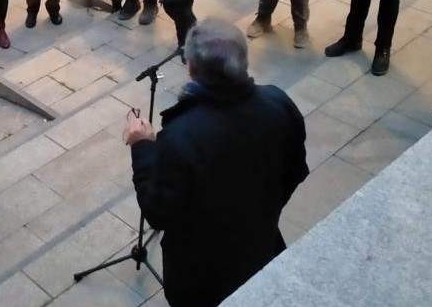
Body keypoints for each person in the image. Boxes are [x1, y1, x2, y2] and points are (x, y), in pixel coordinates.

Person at [124, 18, 308, 307]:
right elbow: (296, 170)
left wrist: (142, 147)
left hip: (200, 276)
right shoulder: (277, 103)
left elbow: (158, 211)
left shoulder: (182, 135)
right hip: (259, 248)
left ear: (191, 69)